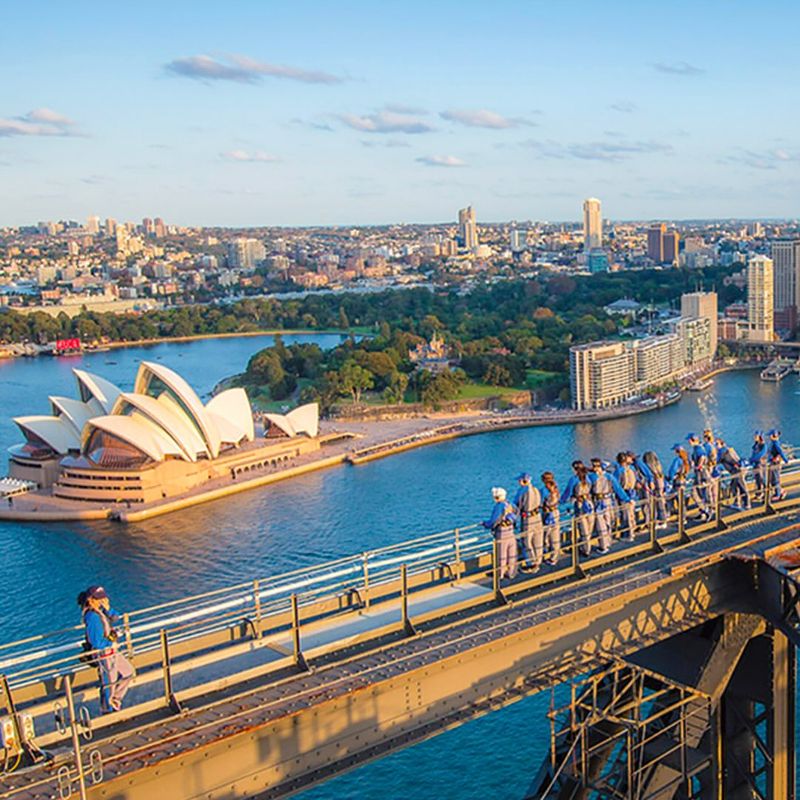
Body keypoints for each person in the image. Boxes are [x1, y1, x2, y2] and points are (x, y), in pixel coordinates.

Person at [79, 585, 134, 713]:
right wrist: (110, 643)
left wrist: (109, 609)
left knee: (128, 672)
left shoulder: (101, 611)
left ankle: (115, 701)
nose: (102, 601)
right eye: (99, 599)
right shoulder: (92, 616)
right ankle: (107, 709)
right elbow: (96, 642)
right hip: (104, 653)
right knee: (109, 682)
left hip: (112, 651)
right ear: (91, 599)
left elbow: (116, 617)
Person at [588, 458, 629, 553]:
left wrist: (626, 498)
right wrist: (626, 499)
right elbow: (618, 489)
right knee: (607, 522)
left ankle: (603, 545)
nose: (594, 468)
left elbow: (618, 488)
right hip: (608, 500)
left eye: (595, 466)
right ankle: (607, 542)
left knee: (601, 524)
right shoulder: (609, 476)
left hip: (599, 502)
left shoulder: (592, 477)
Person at [482, 487, 518, 581]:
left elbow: (494, 521)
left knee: (502, 553)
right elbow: (517, 512)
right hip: (511, 530)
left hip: (502, 532)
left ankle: (500, 574)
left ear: (496, 497)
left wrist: (485, 524)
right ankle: (511, 572)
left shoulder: (499, 506)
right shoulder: (510, 504)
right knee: (511, 553)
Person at [561, 461, 594, 556]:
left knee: (583, 528)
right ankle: (585, 546)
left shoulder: (574, 479)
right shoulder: (588, 477)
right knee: (589, 526)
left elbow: (567, 492)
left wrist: (562, 501)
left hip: (580, 505)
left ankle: (585, 550)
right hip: (589, 503)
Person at [514, 472, 544, 572]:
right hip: (538, 517)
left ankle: (531, 564)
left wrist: (514, 518)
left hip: (528, 518)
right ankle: (539, 561)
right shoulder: (536, 490)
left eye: (520, 480)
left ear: (523, 481)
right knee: (538, 540)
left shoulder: (522, 491)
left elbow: (516, 506)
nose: (519, 482)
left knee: (527, 541)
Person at [716, 436, 750, 510]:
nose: (716, 446)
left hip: (737, 471)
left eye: (717, 444)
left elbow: (717, 461)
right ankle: (738, 502)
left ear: (721, 444)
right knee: (735, 486)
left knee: (741, 486)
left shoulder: (722, 451)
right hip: (738, 470)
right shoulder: (728, 449)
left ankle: (747, 504)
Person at [687, 433, 713, 521]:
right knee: (695, 492)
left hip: (702, 474)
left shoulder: (698, 448)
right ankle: (703, 510)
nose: (688, 442)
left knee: (704, 493)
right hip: (698, 474)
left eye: (689, 440)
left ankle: (708, 512)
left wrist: (699, 466)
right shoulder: (696, 448)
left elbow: (702, 456)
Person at [613, 452, 639, 540]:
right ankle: (632, 532)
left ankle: (627, 535)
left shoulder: (618, 471)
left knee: (625, 515)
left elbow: (616, 485)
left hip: (624, 495)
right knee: (631, 514)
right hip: (632, 493)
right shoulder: (631, 469)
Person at [642, 451, 669, 528]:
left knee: (654, 505)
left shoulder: (649, 470)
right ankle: (663, 520)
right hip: (660, 487)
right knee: (660, 503)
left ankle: (656, 521)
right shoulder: (658, 468)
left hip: (654, 489)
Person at [541, 472, 562, 565]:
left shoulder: (543, 490)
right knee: (555, 534)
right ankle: (554, 557)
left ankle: (545, 553)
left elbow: (540, 503)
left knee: (546, 535)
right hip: (556, 512)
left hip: (547, 514)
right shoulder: (556, 489)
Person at [766, 429, 789, 500]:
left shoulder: (775, 443)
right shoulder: (773, 443)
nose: (769, 437)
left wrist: (786, 460)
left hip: (775, 463)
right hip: (772, 462)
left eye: (770, 435)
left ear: (773, 436)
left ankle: (778, 494)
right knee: (773, 478)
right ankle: (780, 491)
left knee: (775, 478)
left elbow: (781, 452)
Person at [750, 430, 767, 501]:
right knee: (757, 479)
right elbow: (754, 453)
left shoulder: (763, 445)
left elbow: (761, 454)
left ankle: (763, 493)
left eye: (756, 436)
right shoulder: (756, 445)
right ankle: (759, 494)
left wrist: (753, 459)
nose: (754, 437)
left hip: (761, 464)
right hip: (756, 464)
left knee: (761, 479)